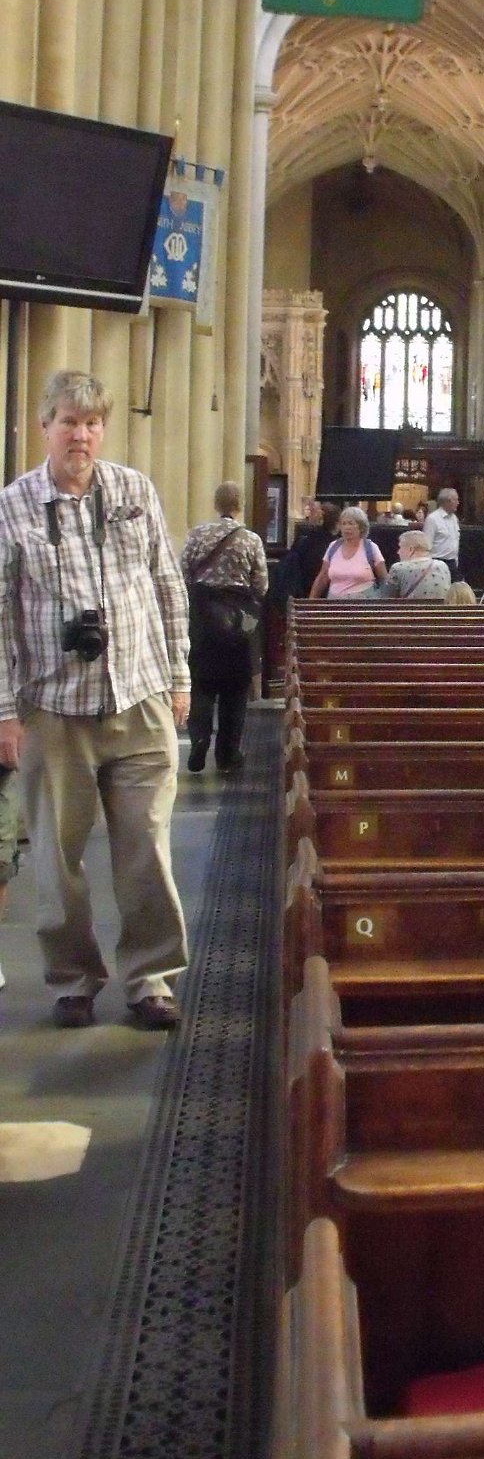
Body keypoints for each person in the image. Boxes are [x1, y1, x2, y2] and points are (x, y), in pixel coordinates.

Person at [0, 370, 189, 1030]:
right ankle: (74, 977)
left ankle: (150, 977)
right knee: (59, 859)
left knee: (146, 847)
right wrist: (2, 710)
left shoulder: (134, 490)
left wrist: (181, 675)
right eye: (67, 421)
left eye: (91, 423)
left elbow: (168, 583)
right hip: (53, 708)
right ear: (44, 425)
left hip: (138, 695)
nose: (80, 434)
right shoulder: (13, 505)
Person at [181, 479, 269, 773]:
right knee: (235, 687)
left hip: (203, 617)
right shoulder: (250, 540)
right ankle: (228, 754)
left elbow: (183, 573)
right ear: (240, 505)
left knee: (202, 683)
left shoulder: (198, 534)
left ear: (216, 504)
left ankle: (199, 739)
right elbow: (261, 585)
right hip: (239, 618)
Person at [309, 508, 387, 598]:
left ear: (361, 527)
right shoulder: (333, 547)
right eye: (343, 524)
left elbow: (384, 579)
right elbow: (322, 577)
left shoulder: (371, 547)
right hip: (334, 604)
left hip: (364, 604)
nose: (347, 527)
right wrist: (310, 602)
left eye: (351, 523)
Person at [378, 530, 451, 601]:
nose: (398, 552)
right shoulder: (443, 566)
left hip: (411, 612)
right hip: (439, 612)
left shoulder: (398, 568)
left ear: (411, 549)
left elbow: (387, 600)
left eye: (400, 547)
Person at [423, 486, 462, 581]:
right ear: (447, 501)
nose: (458, 503)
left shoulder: (454, 519)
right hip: (436, 563)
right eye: (455, 500)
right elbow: (426, 545)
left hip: (452, 563)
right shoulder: (432, 519)